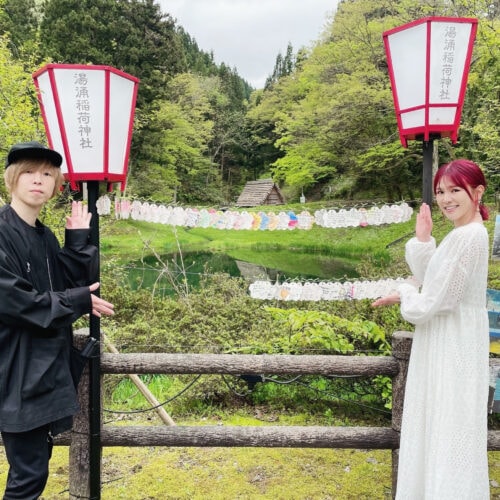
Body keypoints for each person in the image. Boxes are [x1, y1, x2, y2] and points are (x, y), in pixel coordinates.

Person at [0, 141, 115, 499]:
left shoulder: (43, 235)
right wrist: (79, 299)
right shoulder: (2, 232)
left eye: (48, 174)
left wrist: (78, 239)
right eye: (30, 172)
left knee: (34, 466)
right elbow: (20, 303)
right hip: (16, 371)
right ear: (12, 179)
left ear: (55, 185)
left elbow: (66, 282)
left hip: (41, 372)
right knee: (29, 474)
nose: (39, 180)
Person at [372, 159, 490, 499]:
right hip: (448, 338)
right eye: (441, 191)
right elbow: (437, 282)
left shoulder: (470, 236)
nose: (446, 198)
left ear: (477, 192)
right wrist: (423, 241)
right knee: (440, 422)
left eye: (455, 190)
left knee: (449, 424)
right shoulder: (461, 235)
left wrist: (406, 293)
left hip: (452, 342)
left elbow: (438, 301)